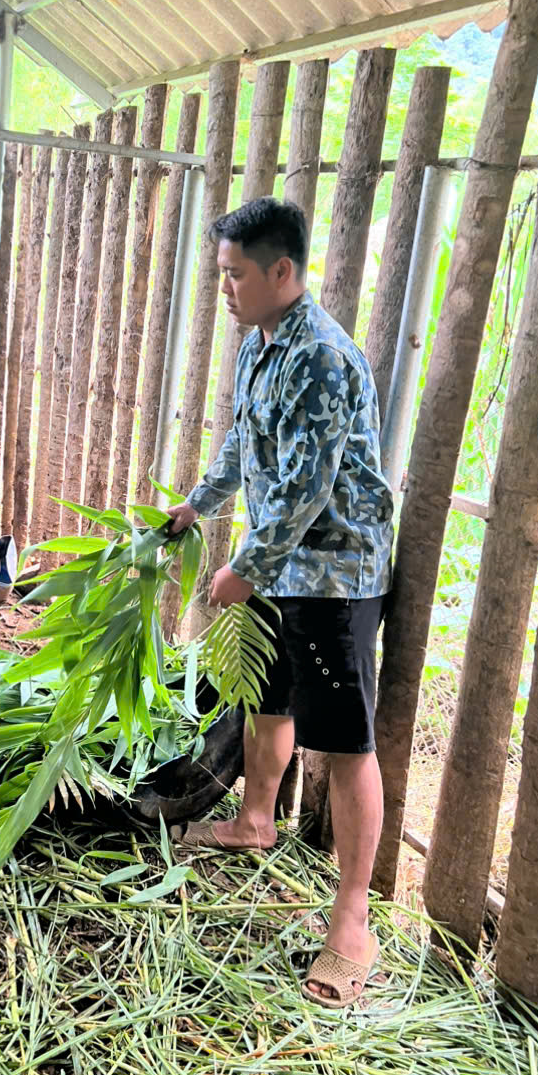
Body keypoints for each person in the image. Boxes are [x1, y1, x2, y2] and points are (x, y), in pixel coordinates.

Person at [166, 196, 394, 1009]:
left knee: (344, 742)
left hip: (332, 571)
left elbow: (307, 487)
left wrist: (245, 568)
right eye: (222, 274)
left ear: (282, 272)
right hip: (278, 561)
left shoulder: (324, 359)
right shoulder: (258, 344)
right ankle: (255, 821)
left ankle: (352, 920)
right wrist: (201, 501)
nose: (224, 288)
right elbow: (242, 438)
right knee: (267, 701)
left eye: (234, 275)